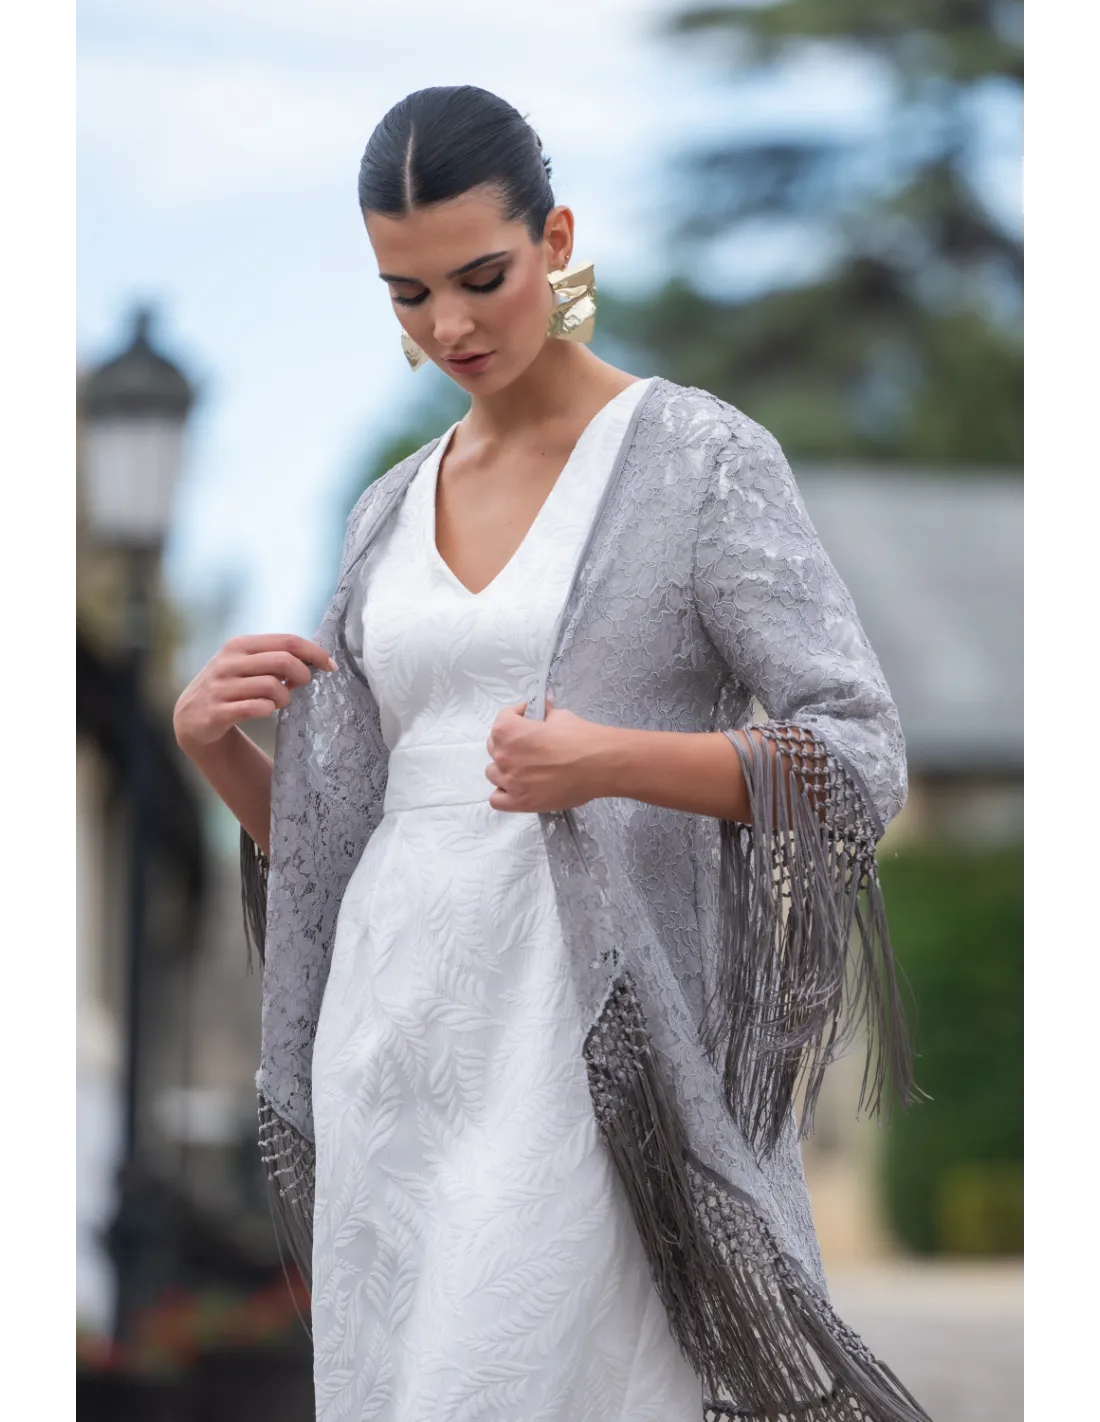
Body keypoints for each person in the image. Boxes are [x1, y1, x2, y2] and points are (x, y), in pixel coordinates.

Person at [175, 86, 930, 1422]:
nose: (449, 326)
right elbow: (337, 851)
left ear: (558, 239)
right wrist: (217, 750)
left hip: (586, 1051)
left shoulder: (697, 459)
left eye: (482, 277)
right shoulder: (386, 508)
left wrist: (612, 761)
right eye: (407, 294)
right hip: (394, 1050)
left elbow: (858, 754)